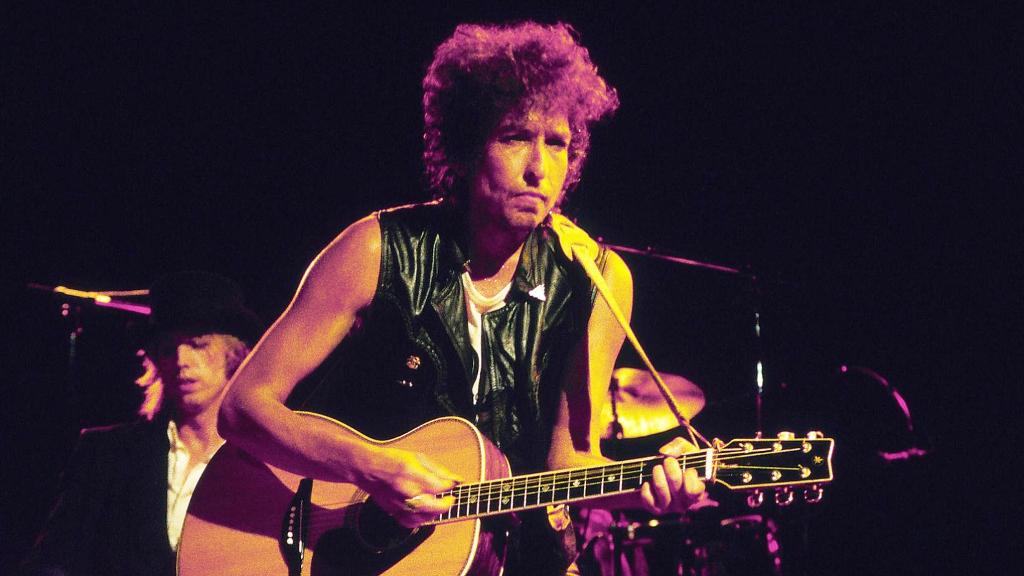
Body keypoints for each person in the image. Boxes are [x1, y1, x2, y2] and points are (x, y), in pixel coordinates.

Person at [217, 21, 705, 575]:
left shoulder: (595, 280)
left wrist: (651, 486)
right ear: (468, 144)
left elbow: (568, 464)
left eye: (557, 144)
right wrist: (369, 466)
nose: (539, 169)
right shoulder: (376, 251)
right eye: (514, 137)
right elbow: (242, 408)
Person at [20, 271, 262, 576]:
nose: (181, 359)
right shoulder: (105, 453)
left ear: (234, 353)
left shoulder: (264, 463)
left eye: (197, 344)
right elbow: (52, 560)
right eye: (167, 348)